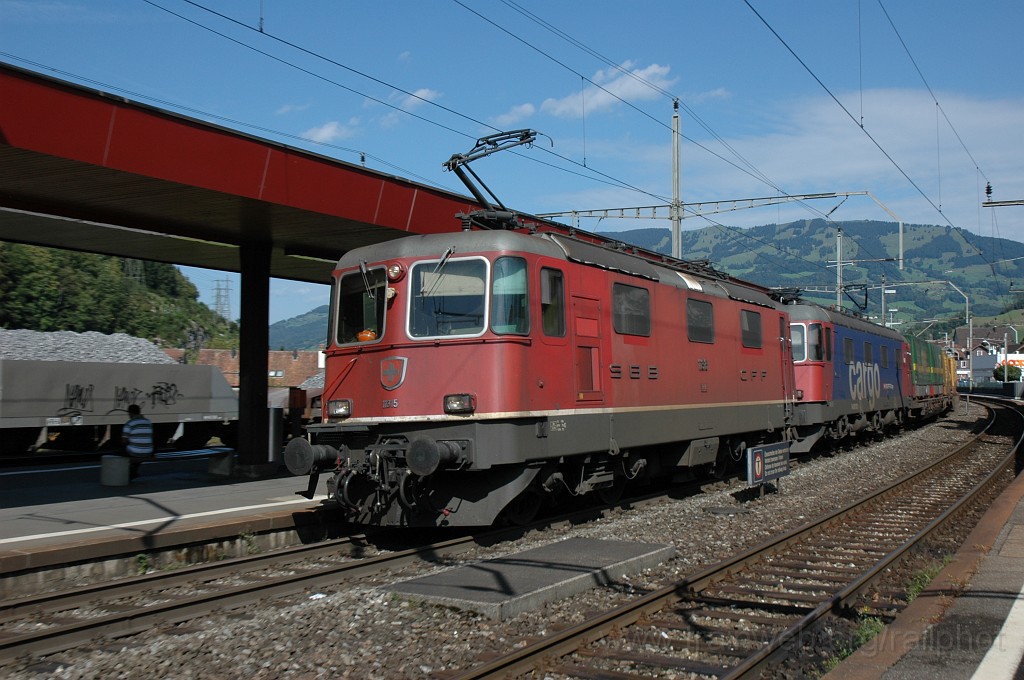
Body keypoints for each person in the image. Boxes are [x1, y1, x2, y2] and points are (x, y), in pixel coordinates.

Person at [121, 404, 154, 479]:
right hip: (148, 451)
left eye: (128, 413)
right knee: (139, 450)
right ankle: (133, 472)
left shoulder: (129, 423)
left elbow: (124, 441)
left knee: (121, 452)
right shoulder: (148, 422)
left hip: (135, 452)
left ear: (131, 413)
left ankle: (127, 473)